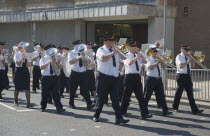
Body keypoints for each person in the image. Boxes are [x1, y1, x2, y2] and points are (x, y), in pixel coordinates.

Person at [93, 36, 129, 125]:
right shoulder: (100, 49)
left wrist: (120, 51)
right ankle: (96, 115)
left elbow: (124, 58)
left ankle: (119, 118)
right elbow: (103, 58)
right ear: (104, 41)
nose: (112, 42)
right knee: (101, 98)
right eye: (110, 41)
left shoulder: (115, 50)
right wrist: (114, 52)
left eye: (112, 40)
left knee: (115, 99)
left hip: (115, 77)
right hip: (103, 77)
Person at [121, 42, 153, 120]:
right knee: (126, 96)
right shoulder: (126, 55)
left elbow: (145, 62)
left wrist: (141, 55)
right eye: (133, 47)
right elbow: (129, 62)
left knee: (140, 97)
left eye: (135, 46)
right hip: (129, 77)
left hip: (137, 77)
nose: (135, 48)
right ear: (129, 48)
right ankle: (122, 112)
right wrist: (137, 57)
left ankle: (144, 114)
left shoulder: (138, 55)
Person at [172, 45, 204, 114]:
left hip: (188, 76)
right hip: (181, 76)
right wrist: (187, 61)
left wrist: (192, 60)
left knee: (190, 93)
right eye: (186, 50)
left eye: (188, 50)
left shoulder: (188, 57)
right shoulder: (179, 56)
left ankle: (195, 110)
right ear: (182, 50)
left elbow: (193, 66)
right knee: (179, 93)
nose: (187, 51)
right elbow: (180, 66)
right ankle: (175, 107)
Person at [144, 47, 172, 116]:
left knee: (162, 95)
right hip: (150, 79)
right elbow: (150, 67)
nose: (156, 53)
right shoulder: (148, 59)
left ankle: (165, 110)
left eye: (156, 52)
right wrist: (157, 63)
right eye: (154, 52)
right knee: (147, 95)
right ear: (151, 53)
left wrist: (161, 61)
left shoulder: (158, 59)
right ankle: (144, 111)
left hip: (158, 79)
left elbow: (164, 67)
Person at [68, 40, 95, 109]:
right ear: (74, 46)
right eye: (77, 45)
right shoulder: (71, 53)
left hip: (83, 73)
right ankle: (71, 103)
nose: (79, 46)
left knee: (85, 89)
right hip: (75, 73)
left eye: (80, 45)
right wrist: (79, 57)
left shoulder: (83, 53)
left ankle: (89, 103)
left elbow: (89, 61)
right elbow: (70, 62)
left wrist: (86, 59)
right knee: (73, 90)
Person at [39, 44, 65, 113]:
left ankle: (59, 108)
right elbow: (41, 67)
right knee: (45, 93)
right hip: (45, 78)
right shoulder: (43, 58)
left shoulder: (57, 57)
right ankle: (43, 107)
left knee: (56, 93)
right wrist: (49, 61)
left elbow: (61, 67)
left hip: (54, 77)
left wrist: (57, 62)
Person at [13, 42, 32, 108]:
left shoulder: (26, 54)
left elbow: (29, 65)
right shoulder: (16, 54)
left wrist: (26, 59)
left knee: (27, 87)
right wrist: (22, 57)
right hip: (18, 70)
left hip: (25, 70)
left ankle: (28, 103)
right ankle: (15, 101)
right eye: (22, 47)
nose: (23, 48)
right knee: (17, 87)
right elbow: (18, 63)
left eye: (24, 47)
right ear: (19, 48)